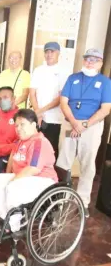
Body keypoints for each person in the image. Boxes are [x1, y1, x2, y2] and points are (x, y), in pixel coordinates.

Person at [56, 48, 111, 218]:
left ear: (100, 63)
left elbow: (106, 109)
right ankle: (60, 198)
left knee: (87, 165)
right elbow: (63, 102)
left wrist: (85, 124)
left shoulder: (105, 82)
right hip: (70, 125)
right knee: (63, 162)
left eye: (94, 60)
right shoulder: (73, 79)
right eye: (87, 59)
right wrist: (74, 123)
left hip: (91, 129)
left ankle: (83, 201)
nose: (90, 62)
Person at [0, 109, 58, 233]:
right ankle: (3, 216)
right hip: (26, 177)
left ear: (33, 125)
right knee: (0, 179)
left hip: (43, 180)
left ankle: (14, 224)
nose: (18, 128)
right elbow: (13, 157)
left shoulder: (39, 142)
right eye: (16, 125)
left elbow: (33, 168)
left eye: (22, 124)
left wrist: (13, 180)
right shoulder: (20, 141)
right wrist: (8, 175)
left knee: (13, 186)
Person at [30, 42, 69, 159]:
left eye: (52, 52)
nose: (49, 54)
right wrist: (37, 111)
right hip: (38, 117)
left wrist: (41, 110)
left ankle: (50, 175)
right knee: (35, 148)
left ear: (58, 54)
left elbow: (61, 98)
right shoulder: (38, 70)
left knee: (51, 149)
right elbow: (32, 93)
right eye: (47, 52)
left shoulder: (64, 72)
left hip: (54, 118)